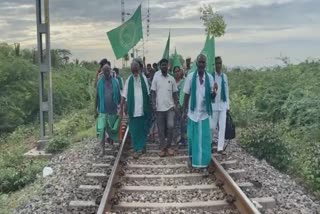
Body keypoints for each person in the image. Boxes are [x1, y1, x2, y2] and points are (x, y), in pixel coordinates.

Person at [183, 54, 215, 171]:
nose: (201, 64)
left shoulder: (210, 78)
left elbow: (212, 97)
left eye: (203, 62)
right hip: (192, 113)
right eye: (199, 62)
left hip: (204, 113)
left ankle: (203, 163)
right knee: (192, 138)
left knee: (205, 139)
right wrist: (184, 111)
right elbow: (186, 94)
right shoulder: (191, 77)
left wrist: (214, 94)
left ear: (205, 64)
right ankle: (192, 159)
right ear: (196, 64)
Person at [121, 61, 151, 159]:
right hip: (133, 110)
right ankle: (137, 149)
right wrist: (122, 106)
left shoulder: (144, 79)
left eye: (136, 70)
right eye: (133, 71)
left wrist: (151, 106)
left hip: (143, 109)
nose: (135, 73)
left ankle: (142, 147)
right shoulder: (129, 80)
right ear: (131, 70)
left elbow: (148, 93)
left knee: (143, 129)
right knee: (134, 131)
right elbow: (124, 95)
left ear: (139, 69)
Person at [151, 58, 179, 157]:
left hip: (170, 108)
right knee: (161, 129)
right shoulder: (156, 77)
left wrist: (176, 104)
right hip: (159, 108)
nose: (164, 66)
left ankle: (169, 146)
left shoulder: (171, 79)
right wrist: (154, 104)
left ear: (168, 66)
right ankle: (163, 148)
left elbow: (175, 93)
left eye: (165, 65)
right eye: (162, 65)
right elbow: (153, 92)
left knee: (171, 126)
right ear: (160, 66)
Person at [95, 64, 121, 156]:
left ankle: (113, 147)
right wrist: (95, 109)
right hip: (102, 110)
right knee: (102, 130)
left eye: (108, 71)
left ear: (110, 71)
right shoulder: (100, 82)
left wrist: (120, 108)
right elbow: (97, 97)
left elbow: (119, 96)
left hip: (112, 110)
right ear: (102, 71)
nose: (106, 73)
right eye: (104, 71)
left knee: (111, 131)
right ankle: (102, 150)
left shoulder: (115, 81)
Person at [210, 56, 230, 153]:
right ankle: (209, 143)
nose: (218, 65)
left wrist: (228, 106)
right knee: (212, 126)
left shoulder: (224, 76)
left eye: (220, 63)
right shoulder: (211, 76)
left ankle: (220, 148)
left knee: (222, 126)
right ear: (214, 65)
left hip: (222, 105)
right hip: (213, 106)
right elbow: (209, 92)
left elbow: (226, 91)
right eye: (217, 63)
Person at [173, 66, 186, 146]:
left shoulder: (183, 82)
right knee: (176, 123)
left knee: (183, 123)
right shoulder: (171, 82)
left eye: (178, 71)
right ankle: (177, 140)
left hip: (182, 105)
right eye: (175, 71)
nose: (177, 73)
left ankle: (183, 139)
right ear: (173, 73)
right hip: (174, 106)